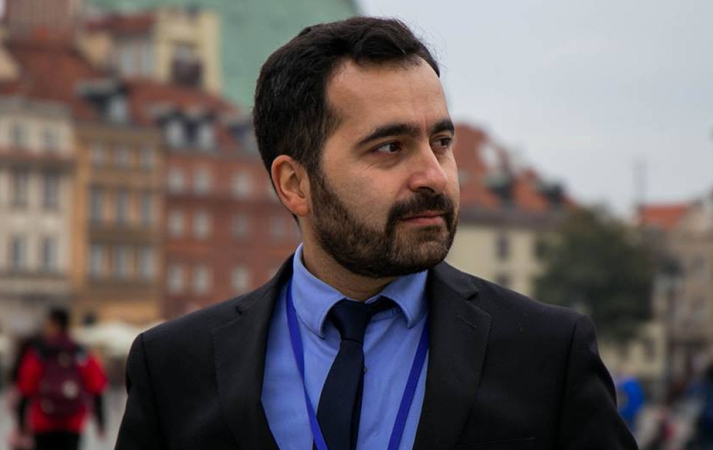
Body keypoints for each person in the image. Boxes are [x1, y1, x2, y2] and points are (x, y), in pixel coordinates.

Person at [115, 17, 636, 450]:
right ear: (295, 184)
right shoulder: (174, 368)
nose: (433, 176)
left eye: (441, 142)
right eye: (390, 147)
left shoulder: (546, 355)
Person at [16, 308, 107, 450]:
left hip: (43, 420)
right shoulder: (80, 352)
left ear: (54, 324)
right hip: (73, 420)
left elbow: (25, 387)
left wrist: (21, 423)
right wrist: (101, 422)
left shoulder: (39, 353)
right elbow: (97, 386)